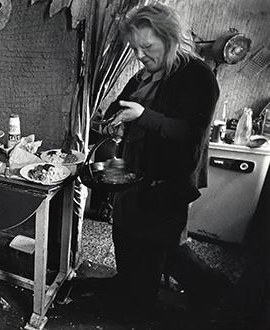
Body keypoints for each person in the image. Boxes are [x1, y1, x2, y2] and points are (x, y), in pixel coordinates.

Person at [81, 3, 220, 321]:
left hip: (167, 182)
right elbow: (123, 103)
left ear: (169, 38)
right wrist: (112, 119)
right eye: (134, 48)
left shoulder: (197, 77)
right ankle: (126, 285)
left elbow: (189, 135)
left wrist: (143, 116)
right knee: (125, 236)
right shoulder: (150, 73)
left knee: (158, 249)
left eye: (146, 46)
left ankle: (149, 304)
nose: (139, 55)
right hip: (134, 174)